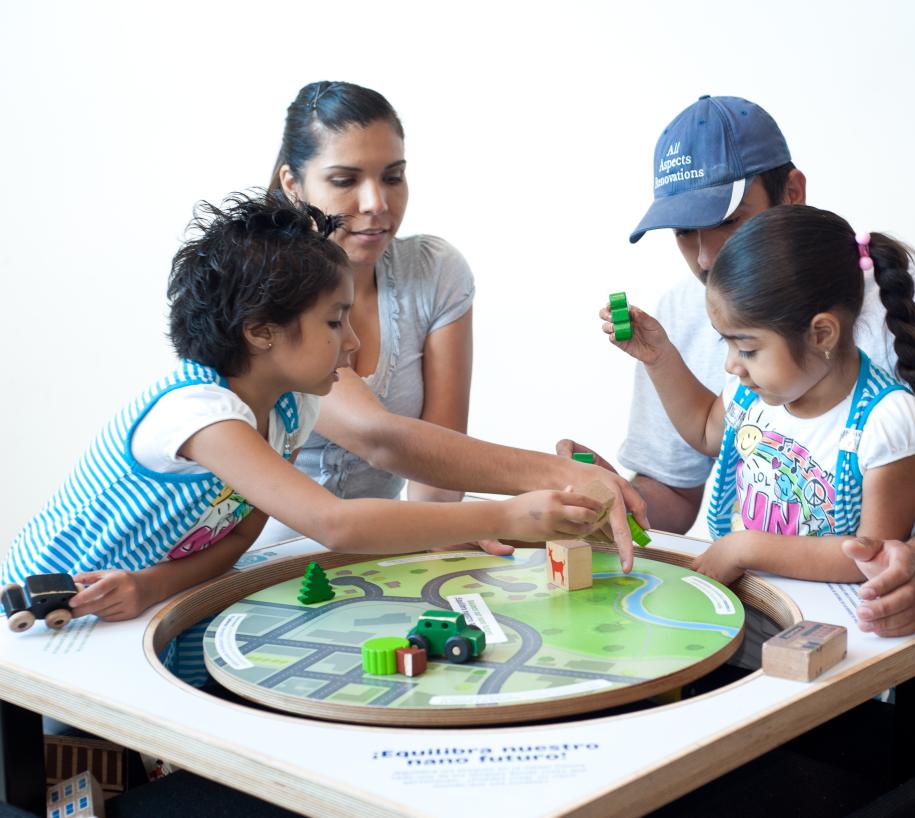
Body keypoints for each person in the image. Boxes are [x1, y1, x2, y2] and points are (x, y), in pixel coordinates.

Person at [561, 95, 915, 816]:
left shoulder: (911, 329)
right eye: (685, 234)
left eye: (728, 225)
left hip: (885, 623)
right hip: (748, 599)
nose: (706, 258)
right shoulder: (722, 334)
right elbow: (705, 442)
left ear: (792, 192)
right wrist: (613, 497)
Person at [2, 193, 612, 681]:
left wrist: (149, 586)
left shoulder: (293, 407)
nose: (351, 342)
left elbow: (241, 533)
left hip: (146, 601)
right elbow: (336, 524)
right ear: (261, 332)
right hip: (49, 611)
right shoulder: (200, 416)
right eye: (333, 321)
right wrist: (509, 513)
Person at [257, 81, 644, 560]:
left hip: (380, 552)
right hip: (261, 562)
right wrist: (555, 475)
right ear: (293, 182)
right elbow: (380, 437)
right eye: (345, 180)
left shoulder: (434, 271)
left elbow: (435, 485)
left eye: (393, 176)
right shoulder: (268, 286)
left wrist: (468, 524)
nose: (376, 202)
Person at [603, 205, 915, 592]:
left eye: (747, 349)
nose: (732, 365)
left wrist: (749, 549)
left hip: (833, 622)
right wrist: (660, 357)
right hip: (754, 600)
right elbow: (704, 431)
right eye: (726, 343)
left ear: (821, 335)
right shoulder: (753, 393)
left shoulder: (883, 420)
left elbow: (873, 557)